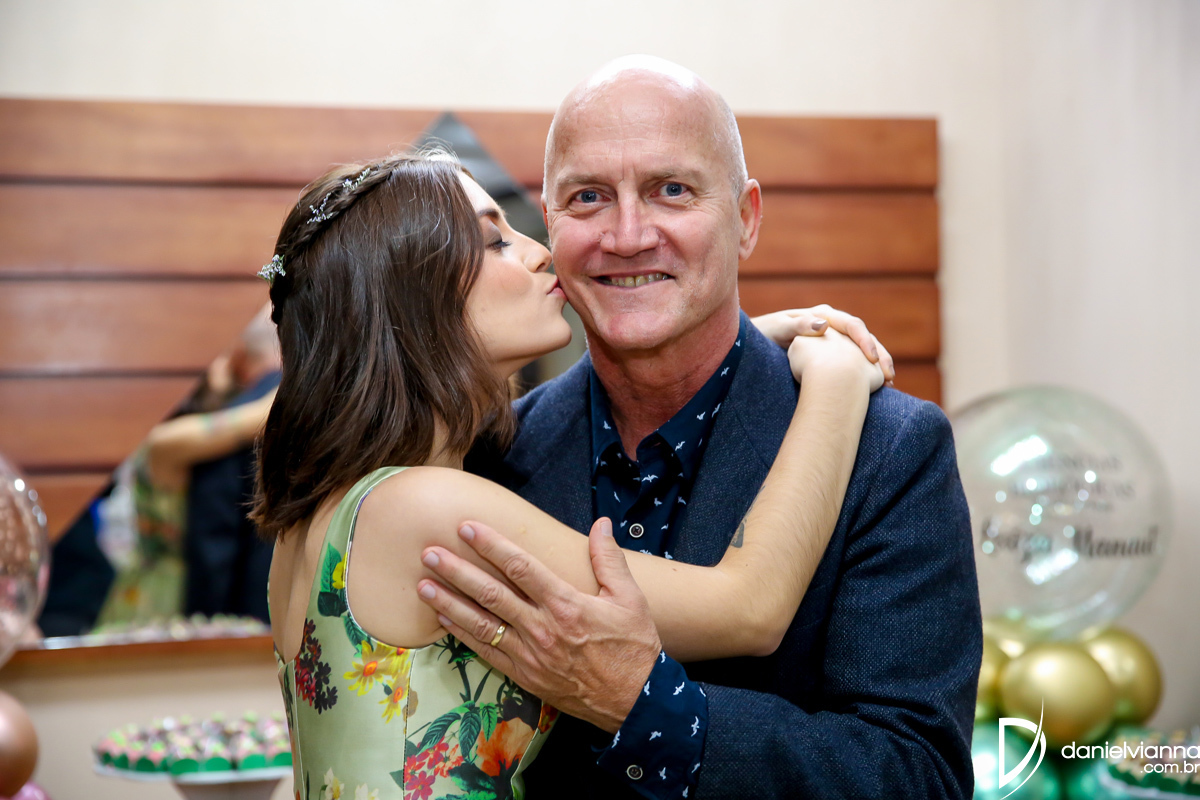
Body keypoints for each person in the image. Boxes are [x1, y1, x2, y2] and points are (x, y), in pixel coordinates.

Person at [420, 57, 982, 799]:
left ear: (745, 219)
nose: (627, 235)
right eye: (589, 197)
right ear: (551, 224)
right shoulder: (484, 456)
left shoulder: (889, 449)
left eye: (672, 190)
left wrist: (651, 710)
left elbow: (920, 777)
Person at [256, 150, 888, 799]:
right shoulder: (423, 509)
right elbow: (748, 607)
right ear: (412, 295)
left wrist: (731, 351)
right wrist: (836, 382)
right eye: (495, 241)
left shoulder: (321, 517)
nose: (539, 253)